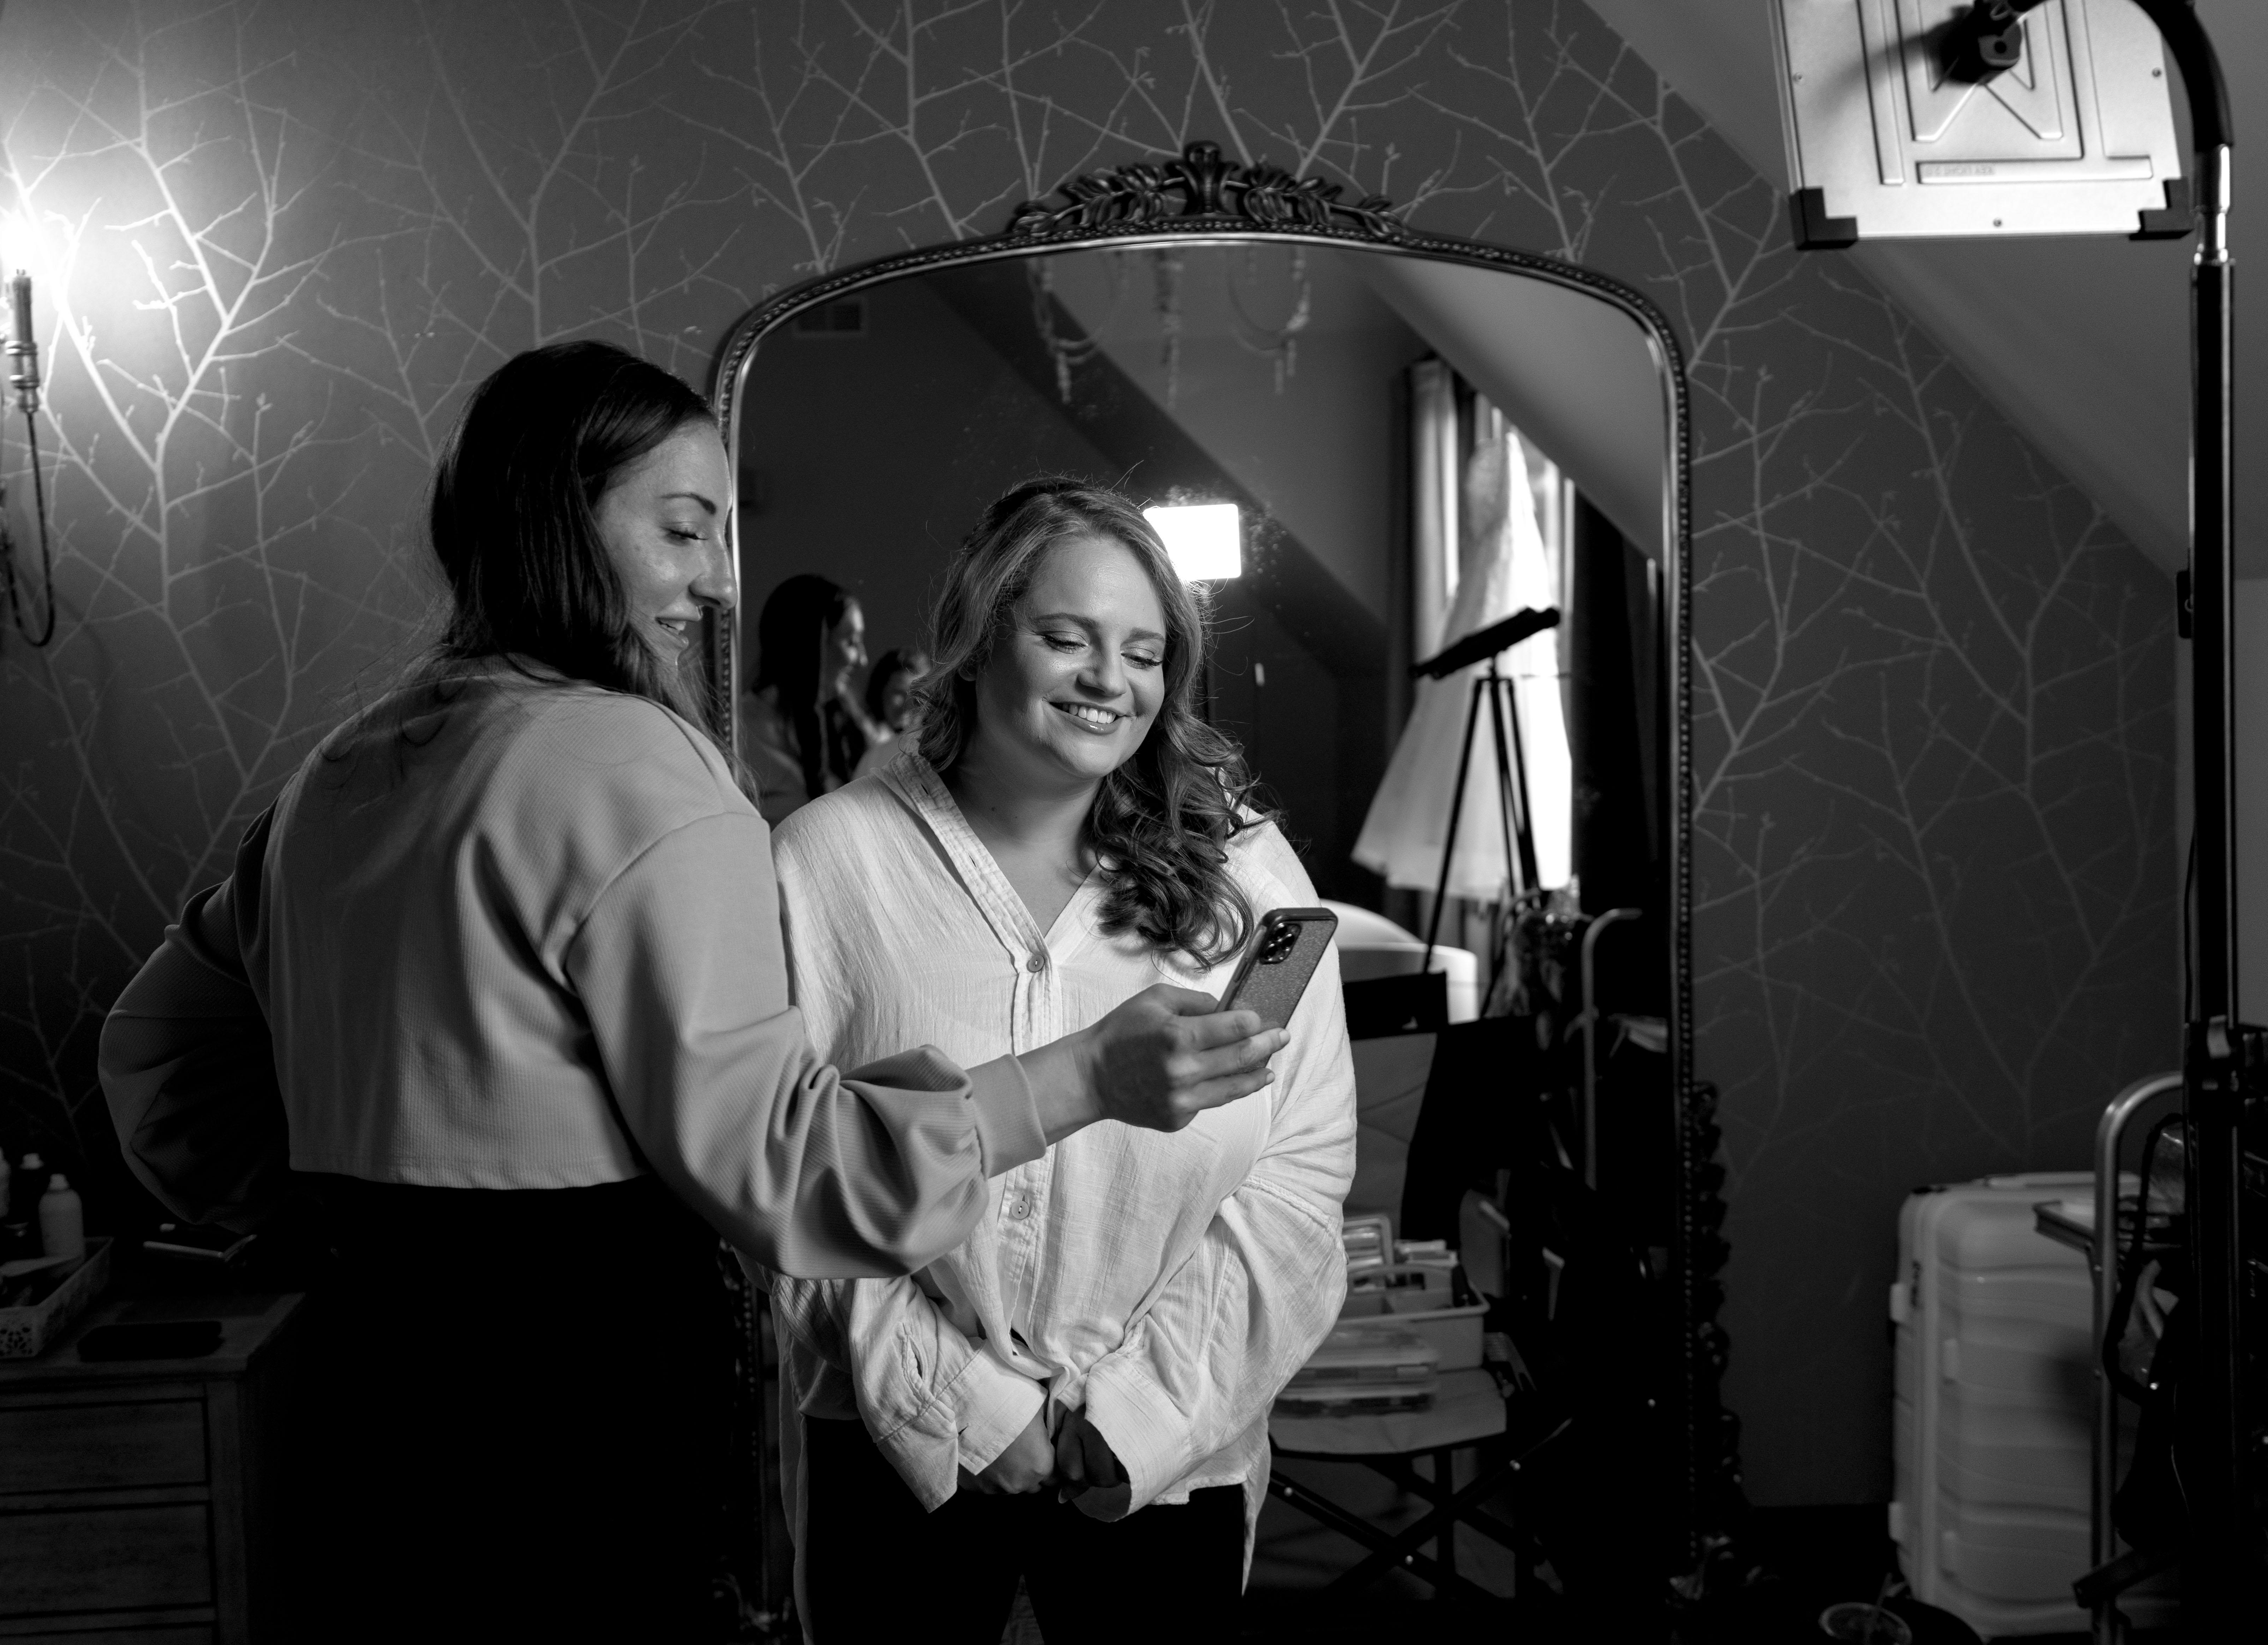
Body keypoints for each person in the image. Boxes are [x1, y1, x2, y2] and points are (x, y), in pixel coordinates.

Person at [94, 349, 1287, 1635]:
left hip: (363, 1406)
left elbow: (157, 1063)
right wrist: (1081, 1077)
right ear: (556, 519)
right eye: (682, 529)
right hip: (577, 1430)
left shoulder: (339, 772)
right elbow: (788, 1173)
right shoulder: (640, 770)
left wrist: (365, 1223)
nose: (721, 578)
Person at [771, 481, 1356, 1643]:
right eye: (1067, 638)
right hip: (898, 1453)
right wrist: (967, 1407)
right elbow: (781, 1171)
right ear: (981, 638)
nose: (1109, 680)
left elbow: (1300, 1175)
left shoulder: (1248, 882)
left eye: (1143, 652)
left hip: (1163, 1461)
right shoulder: (828, 864)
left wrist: (1135, 1416)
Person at [741, 573, 875, 823]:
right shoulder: (744, 730)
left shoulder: (851, 724)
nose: (862, 659)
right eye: (851, 642)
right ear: (809, 645)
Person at [852, 644, 929, 782]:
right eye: (899, 693)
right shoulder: (852, 739)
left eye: (918, 697)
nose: (908, 705)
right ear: (880, 691)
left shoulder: (931, 753)